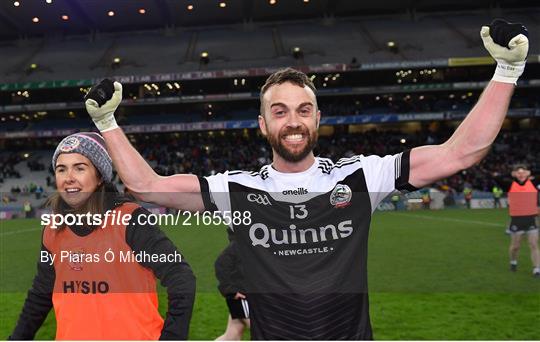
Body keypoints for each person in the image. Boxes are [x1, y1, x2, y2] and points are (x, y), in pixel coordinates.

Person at [83, 20, 528, 339]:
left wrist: (506, 72)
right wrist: (107, 123)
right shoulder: (236, 189)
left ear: (318, 118)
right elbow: (147, 185)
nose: (292, 121)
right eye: (279, 112)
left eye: (302, 110)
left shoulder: (362, 176)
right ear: (262, 125)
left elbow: (460, 152)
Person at [10, 132, 196, 340]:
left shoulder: (129, 219)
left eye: (80, 168)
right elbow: (40, 295)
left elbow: (181, 277)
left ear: (100, 176)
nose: (69, 177)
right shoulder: (53, 230)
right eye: (61, 169)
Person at [506, 164, 540, 277]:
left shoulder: (534, 183)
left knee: (534, 244)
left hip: (531, 219)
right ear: (514, 174)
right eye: (518, 172)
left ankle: (536, 269)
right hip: (516, 220)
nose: (521, 174)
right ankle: (513, 261)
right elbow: (494, 178)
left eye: (523, 172)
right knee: (515, 246)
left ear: (528, 173)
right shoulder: (509, 184)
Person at [215, 239, 250, 340]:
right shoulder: (243, 242)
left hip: (249, 297)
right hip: (243, 297)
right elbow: (220, 264)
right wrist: (230, 290)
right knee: (266, 332)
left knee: (231, 336)